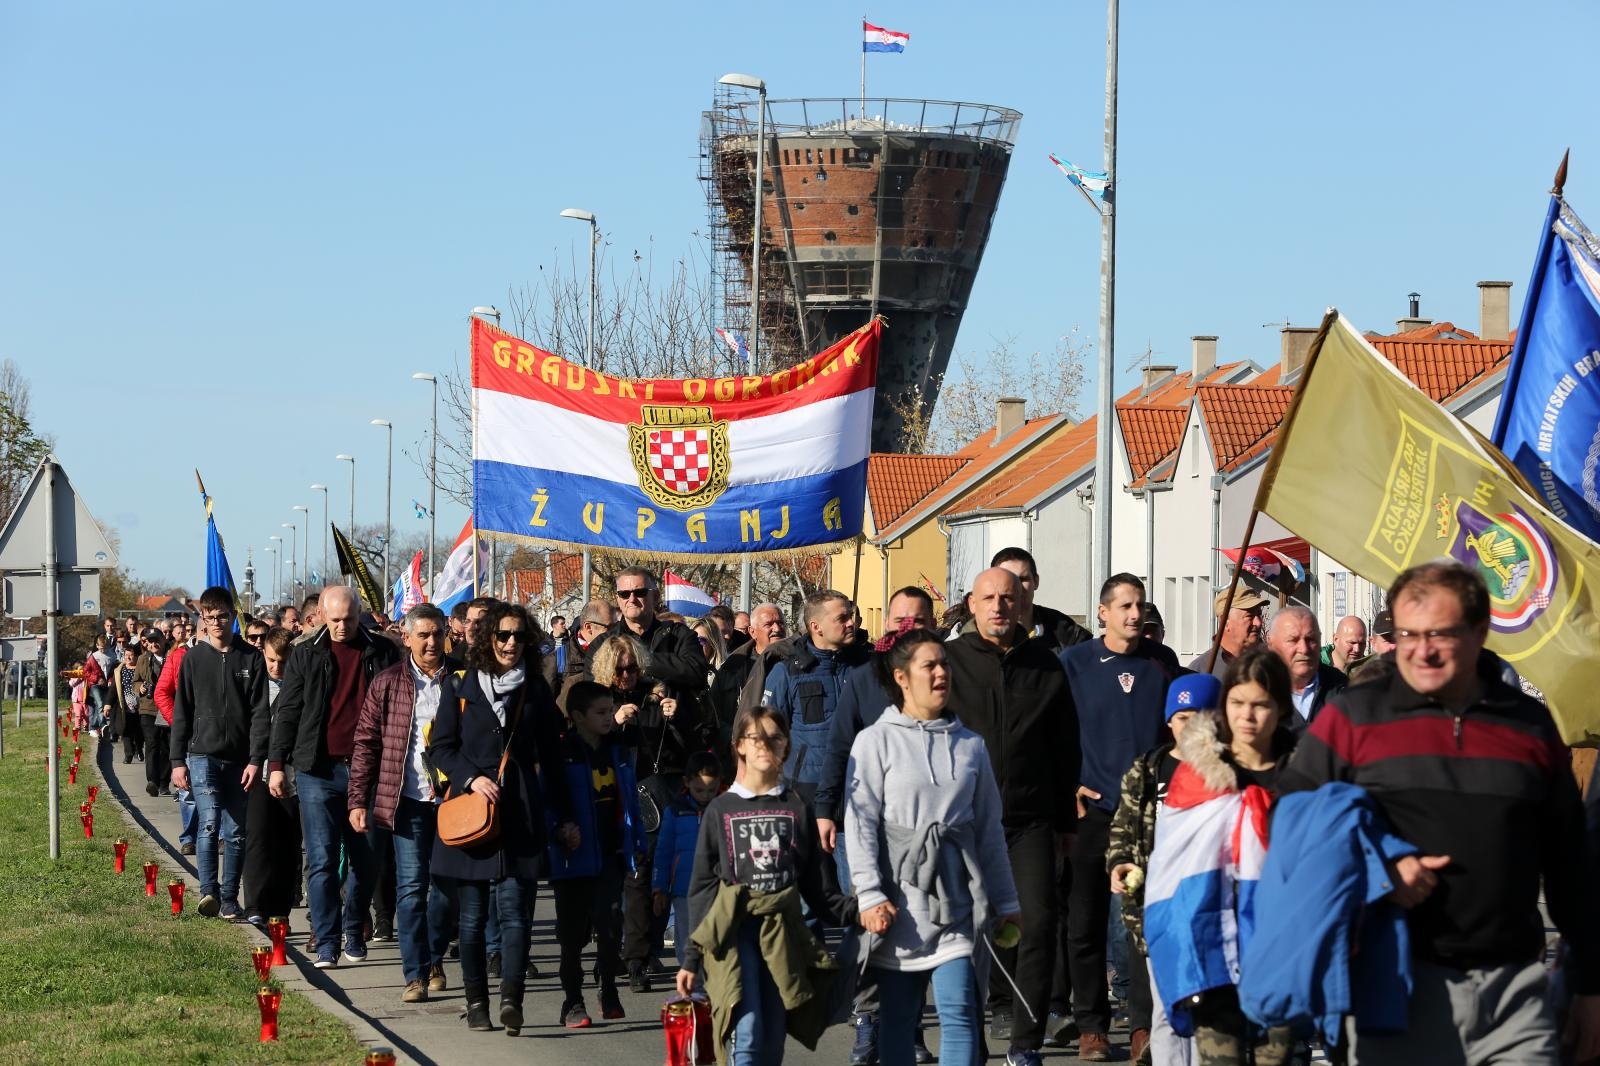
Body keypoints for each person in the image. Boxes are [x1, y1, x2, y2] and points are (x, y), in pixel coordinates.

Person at [1279, 561, 1600, 1065]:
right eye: (1408, 634)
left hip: (1514, 992)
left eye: (1440, 634)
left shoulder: (1530, 727)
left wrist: (1589, 985)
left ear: (1479, 631)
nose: (1422, 650)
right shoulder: (1353, 717)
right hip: (1397, 986)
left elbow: (1570, 866)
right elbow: (1288, 820)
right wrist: (1375, 868)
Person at [846, 625, 1022, 1066]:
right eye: (930, 665)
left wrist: (1005, 898)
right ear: (902, 677)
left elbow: (989, 831)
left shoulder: (970, 746)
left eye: (945, 664)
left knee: (962, 1012)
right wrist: (868, 894)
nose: (941, 673)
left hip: (957, 901)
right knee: (900, 1020)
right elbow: (861, 821)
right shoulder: (875, 741)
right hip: (898, 903)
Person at [944, 567, 1080, 1066]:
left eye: (1008, 597)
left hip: (1032, 818)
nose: (999, 606)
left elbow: (1066, 747)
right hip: (965, 820)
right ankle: (970, 1041)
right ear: (972, 605)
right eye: (989, 598)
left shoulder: (1046, 665)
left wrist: (1066, 822)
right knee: (969, 932)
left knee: (1039, 924)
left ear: (1022, 602)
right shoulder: (950, 663)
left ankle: (1026, 1044)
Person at [676, 704, 854, 1065]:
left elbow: (817, 887)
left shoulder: (795, 806)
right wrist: (691, 958)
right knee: (750, 1029)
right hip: (734, 936)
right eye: (754, 737)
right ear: (739, 745)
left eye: (774, 738)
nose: (764, 745)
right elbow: (702, 888)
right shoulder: (721, 809)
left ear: (786, 746)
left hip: (784, 936)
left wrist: (860, 911)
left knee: (773, 1037)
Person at [1149, 648, 1296, 1066]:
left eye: (1260, 704)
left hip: (1280, 953)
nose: (1247, 716)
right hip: (1211, 951)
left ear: (1280, 707)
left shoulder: (1305, 775)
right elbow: (1170, 870)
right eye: (1237, 703)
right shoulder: (1196, 777)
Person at [813, 587, 938, 1066]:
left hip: (926, 829)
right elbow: (838, 746)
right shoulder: (865, 678)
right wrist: (826, 809)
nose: (908, 629)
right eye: (899, 620)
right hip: (865, 824)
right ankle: (867, 1022)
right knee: (871, 924)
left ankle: (909, 1027)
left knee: (921, 927)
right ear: (886, 623)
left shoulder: (949, 676)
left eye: (918, 620)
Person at [1059, 573, 1182, 1061]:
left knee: (1143, 924)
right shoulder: (1074, 663)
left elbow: (1179, 733)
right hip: (1092, 810)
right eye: (1125, 605)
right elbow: (1056, 732)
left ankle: (1142, 1026)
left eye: (1140, 605)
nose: (1135, 614)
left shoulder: (1163, 662)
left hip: (1148, 814)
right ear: (1103, 611)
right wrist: (1068, 785)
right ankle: (1092, 1026)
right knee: (1085, 920)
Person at [430, 602, 560, 1035]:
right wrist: (470, 779)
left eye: (519, 637)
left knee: (515, 914)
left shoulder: (536, 690)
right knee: (470, 918)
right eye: (502, 635)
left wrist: (562, 815)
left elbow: (553, 757)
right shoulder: (458, 686)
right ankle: (477, 1002)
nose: (510, 644)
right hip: (471, 815)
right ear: (487, 638)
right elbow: (440, 748)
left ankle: (511, 1000)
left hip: (520, 812)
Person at [268, 585, 402, 968]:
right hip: (318, 769)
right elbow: (288, 711)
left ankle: (354, 926)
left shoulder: (383, 652)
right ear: (322, 616)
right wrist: (276, 764)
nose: (342, 626)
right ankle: (326, 940)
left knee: (367, 860)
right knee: (322, 859)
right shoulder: (305, 654)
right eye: (335, 619)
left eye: (348, 618)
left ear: (359, 613)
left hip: (370, 772)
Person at [1107, 673, 1221, 1066]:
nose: (1190, 726)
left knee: (1211, 1011)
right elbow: (1124, 824)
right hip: (1160, 907)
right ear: (1169, 721)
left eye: (1201, 716)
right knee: (1166, 1008)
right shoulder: (1149, 768)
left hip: (1211, 907)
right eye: (1183, 716)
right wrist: (1120, 862)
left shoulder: (1226, 772)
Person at [348, 604, 452, 1004]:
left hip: (452, 801)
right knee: (411, 889)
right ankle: (415, 974)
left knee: (445, 891)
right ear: (406, 637)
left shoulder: (461, 680)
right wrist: (359, 799)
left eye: (436, 633)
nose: (430, 642)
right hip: (406, 800)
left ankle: (434, 956)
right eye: (422, 634)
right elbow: (366, 744)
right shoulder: (388, 683)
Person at [545, 679, 647, 1027]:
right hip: (573, 857)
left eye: (610, 710)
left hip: (611, 851)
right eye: (600, 712)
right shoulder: (562, 753)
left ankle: (609, 991)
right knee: (572, 935)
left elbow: (630, 798)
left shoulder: (617, 750)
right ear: (577, 716)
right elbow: (549, 802)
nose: (609, 718)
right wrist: (559, 828)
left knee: (609, 925)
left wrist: (636, 842)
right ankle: (572, 1001)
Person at [170, 586, 271, 919]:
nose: (216, 622)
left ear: (232, 616)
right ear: (202, 618)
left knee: (236, 831)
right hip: (202, 755)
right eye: (209, 617)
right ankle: (208, 891)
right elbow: (182, 710)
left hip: (241, 759)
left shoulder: (251, 657)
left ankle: (229, 898)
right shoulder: (194, 658)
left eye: (222, 616)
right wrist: (176, 762)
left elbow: (260, 713)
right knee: (209, 822)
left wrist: (257, 760)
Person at [761, 590, 869, 803]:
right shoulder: (787, 673)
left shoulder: (864, 667)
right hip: (805, 788)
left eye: (851, 617)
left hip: (859, 784)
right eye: (842, 618)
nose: (850, 624)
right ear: (816, 627)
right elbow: (768, 734)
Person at [241, 627, 302, 927]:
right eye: (271, 660)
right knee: (258, 839)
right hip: (259, 770)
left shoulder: (299, 683)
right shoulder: (256, 684)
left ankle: (281, 909)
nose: (276, 666)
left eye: (282, 659)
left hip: (292, 772)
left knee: (288, 843)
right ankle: (254, 904)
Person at [652, 751, 723, 977]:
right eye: (699, 789)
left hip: (717, 889)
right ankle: (691, 982)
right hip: (683, 890)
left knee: (715, 938)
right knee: (686, 939)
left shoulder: (723, 811)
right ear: (687, 783)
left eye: (711, 790)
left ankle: (713, 984)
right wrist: (659, 888)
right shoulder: (674, 811)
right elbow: (663, 852)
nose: (705, 795)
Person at [708, 602, 790, 767]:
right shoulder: (732, 668)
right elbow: (716, 714)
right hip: (739, 759)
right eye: (769, 624)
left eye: (780, 623)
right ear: (753, 632)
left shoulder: (798, 663)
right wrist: (734, 742)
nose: (777, 628)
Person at [992, 546, 1094, 651]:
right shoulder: (979, 635)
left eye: (1023, 579)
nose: (1017, 587)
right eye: (1009, 579)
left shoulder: (1064, 633)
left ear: (1036, 581)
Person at [1264, 606, 1346, 731]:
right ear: (1271, 644)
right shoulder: (1257, 688)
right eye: (1293, 640)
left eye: (1310, 640)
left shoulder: (1342, 688)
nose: (1304, 649)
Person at [1187, 588, 1267, 676]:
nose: (1258, 623)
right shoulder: (1200, 670)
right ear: (1224, 621)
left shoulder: (1273, 664)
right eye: (1249, 616)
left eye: (1259, 614)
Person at [135, 632, 170, 796]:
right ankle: (152, 781)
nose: (153, 644)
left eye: (156, 640)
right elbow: (136, 681)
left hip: (167, 708)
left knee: (166, 746)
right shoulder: (143, 659)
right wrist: (140, 687)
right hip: (148, 708)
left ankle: (164, 782)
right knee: (151, 744)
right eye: (150, 641)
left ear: (163, 641)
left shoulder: (172, 656)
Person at [115, 643, 143, 765]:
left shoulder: (141, 669)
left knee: (138, 731)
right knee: (125, 730)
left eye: (131, 655)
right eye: (126, 655)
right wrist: (107, 704)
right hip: (124, 706)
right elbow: (114, 689)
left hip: (140, 705)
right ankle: (128, 754)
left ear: (136, 656)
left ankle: (139, 749)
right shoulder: (119, 670)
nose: (128, 658)